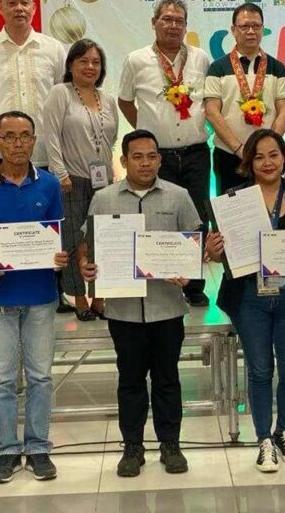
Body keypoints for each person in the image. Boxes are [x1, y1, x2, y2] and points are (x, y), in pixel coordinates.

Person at [207, 129, 285, 472]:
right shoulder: (234, 199)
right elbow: (223, 256)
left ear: (284, 158)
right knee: (260, 370)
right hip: (250, 297)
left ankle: (284, 431)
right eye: (259, 156)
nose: (267, 162)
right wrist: (215, 252)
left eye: (273, 155)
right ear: (249, 162)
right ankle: (264, 438)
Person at [80, 130, 202, 478]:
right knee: (130, 381)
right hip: (124, 311)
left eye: (151, 156)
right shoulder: (104, 199)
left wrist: (188, 270)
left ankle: (170, 444)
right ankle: (132, 447)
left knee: (168, 379)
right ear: (124, 161)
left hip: (167, 308)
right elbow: (88, 246)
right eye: (137, 157)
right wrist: (86, 266)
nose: (145, 163)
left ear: (160, 160)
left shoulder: (179, 196)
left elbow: (194, 242)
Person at [0, 111, 67, 483]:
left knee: (40, 376)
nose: (18, 143)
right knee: (2, 379)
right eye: (9, 136)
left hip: (41, 295)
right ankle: (6, 450)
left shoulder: (49, 184)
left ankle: (37, 447)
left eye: (25, 136)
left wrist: (58, 257)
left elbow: (55, 236)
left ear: (34, 140)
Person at [0, 0, 70, 314]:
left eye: (25, 2)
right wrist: (0, 137)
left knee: (45, 222)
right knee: (0, 222)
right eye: (12, 2)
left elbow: (63, 99)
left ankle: (53, 292)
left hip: (45, 151)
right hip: (1, 156)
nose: (19, 8)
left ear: (34, 8)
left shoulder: (54, 49)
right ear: (0, 8)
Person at [118, 0, 211, 307]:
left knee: (197, 217)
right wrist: (148, 134)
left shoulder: (200, 58)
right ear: (154, 23)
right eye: (167, 19)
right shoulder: (136, 60)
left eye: (179, 21)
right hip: (159, 156)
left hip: (196, 152)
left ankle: (194, 286)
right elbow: (125, 101)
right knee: (161, 217)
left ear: (186, 26)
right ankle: (162, 278)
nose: (173, 25)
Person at [44, 39, 118, 321]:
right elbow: (51, 136)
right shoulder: (60, 93)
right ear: (71, 65)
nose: (90, 67)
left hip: (103, 182)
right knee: (74, 239)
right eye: (83, 61)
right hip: (70, 179)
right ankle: (79, 299)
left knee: (101, 238)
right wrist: (60, 173)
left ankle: (99, 297)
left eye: (96, 62)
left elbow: (111, 140)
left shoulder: (107, 99)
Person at [204, 2, 285, 194]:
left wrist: (268, 149)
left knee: (270, 206)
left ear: (262, 29)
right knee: (232, 210)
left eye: (256, 26)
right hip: (229, 155)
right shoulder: (217, 68)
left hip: (267, 160)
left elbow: (284, 111)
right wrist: (240, 149)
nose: (251, 31)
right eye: (244, 26)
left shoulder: (277, 68)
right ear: (233, 30)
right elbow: (211, 112)